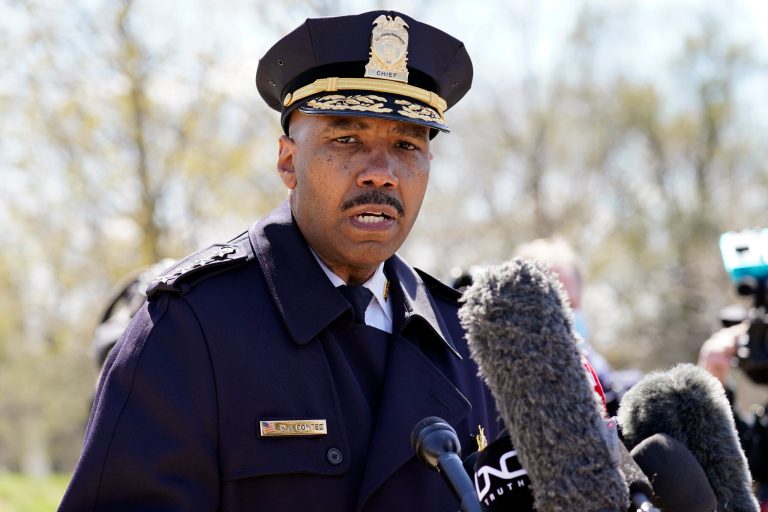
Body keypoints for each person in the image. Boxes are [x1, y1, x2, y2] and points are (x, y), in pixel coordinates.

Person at [58, 10, 500, 511]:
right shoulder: (190, 328)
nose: (382, 173)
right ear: (288, 161)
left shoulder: (467, 341)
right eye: (347, 139)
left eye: (406, 144)